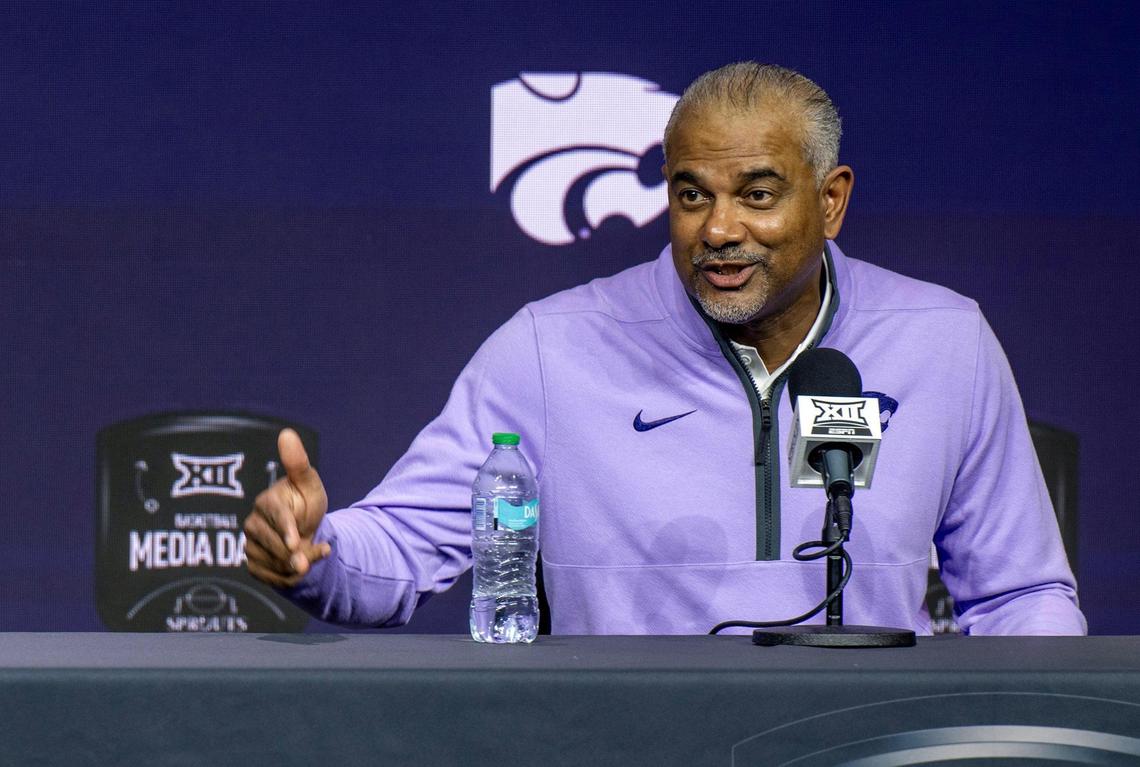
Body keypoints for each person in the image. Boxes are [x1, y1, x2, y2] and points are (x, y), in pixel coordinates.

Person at [244, 62, 1086, 635]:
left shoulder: (945, 341)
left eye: (757, 195)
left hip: (861, 746)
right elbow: (400, 544)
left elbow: (1024, 594)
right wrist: (314, 557)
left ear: (830, 202)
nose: (719, 230)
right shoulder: (551, 349)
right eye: (692, 195)